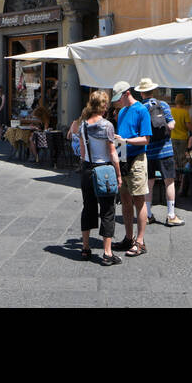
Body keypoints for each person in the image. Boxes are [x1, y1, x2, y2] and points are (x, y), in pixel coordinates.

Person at [75, 90, 122, 265]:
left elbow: (81, 152)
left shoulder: (83, 125)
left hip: (87, 169)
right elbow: (112, 153)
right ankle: (107, 253)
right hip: (104, 170)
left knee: (88, 207)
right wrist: (118, 175)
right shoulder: (107, 126)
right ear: (104, 106)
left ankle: (85, 248)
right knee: (108, 210)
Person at [112, 81, 151, 255]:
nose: (117, 102)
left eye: (118, 98)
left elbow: (145, 139)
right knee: (126, 200)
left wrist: (125, 141)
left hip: (137, 159)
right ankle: (129, 237)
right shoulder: (121, 112)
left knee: (139, 200)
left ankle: (140, 241)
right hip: (124, 158)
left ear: (127, 93)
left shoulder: (142, 110)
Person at [137, 80, 182, 226]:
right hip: (165, 150)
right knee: (169, 182)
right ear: (153, 91)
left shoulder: (140, 108)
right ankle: (171, 215)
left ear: (141, 92)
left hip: (148, 152)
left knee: (148, 184)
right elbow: (172, 124)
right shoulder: (163, 105)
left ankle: (148, 214)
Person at [170, 92, 192, 185]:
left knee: (174, 158)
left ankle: (175, 178)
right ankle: (182, 179)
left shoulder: (171, 111)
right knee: (182, 159)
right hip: (183, 138)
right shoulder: (185, 112)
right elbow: (188, 126)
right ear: (184, 102)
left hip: (173, 137)